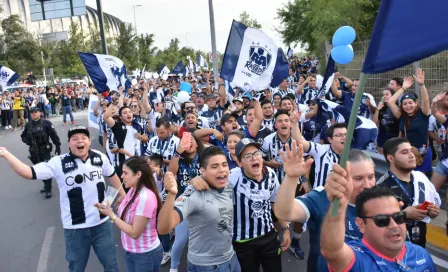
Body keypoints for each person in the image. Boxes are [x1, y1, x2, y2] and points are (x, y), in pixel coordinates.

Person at [0, 126, 126, 271]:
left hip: (102, 225)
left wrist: (123, 194)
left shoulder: (99, 157)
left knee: (111, 265)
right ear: (69, 143)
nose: (80, 141)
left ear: (89, 142)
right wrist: (7, 154)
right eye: (75, 139)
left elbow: (112, 175)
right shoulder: (58, 162)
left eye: (83, 138)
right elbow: (29, 172)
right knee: (76, 268)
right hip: (75, 229)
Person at [274, 143, 375, 271]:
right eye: (358, 178)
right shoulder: (323, 196)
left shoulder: (379, 200)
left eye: (371, 177)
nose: (367, 184)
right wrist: (291, 178)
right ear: (341, 176)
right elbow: (284, 213)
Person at [157, 146, 240, 272]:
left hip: (231, 258)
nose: (222, 170)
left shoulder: (228, 185)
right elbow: (163, 228)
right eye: (214, 166)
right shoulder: (194, 193)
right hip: (206, 266)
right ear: (203, 171)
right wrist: (171, 195)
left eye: (224, 165)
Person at [321, 185, 437, 271]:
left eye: (398, 217)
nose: (394, 225)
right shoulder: (357, 258)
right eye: (382, 220)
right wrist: (338, 205)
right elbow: (332, 251)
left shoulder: (421, 254)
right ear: (361, 224)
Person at [95, 156, 164, 272]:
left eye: (125, 173)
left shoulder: (145, 197)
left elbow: (134, 232)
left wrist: (111, 215)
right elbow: (128, 218)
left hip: (145, 254)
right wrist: (117, 209)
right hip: (131, 251)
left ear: (138, 174)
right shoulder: (132, 190)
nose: (121, 176)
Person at [377, 137, 441, 248]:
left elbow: (435, 203)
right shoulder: (380, 187)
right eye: (404, 152)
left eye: (411, 150)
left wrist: (433, 212)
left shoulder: (421, 178)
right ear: (391, 158)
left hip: (419, 246)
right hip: (393, 249)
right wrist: (404, 215)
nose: (412, 155)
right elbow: (376, 222)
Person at [387, 70, 432, 176]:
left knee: (422, 179)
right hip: (407, 153)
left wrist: (421, 85)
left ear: (416, 103)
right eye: (405, 104)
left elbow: (426, 101)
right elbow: (390, 102)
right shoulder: (402, 116)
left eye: (410, 103)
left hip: (423, 153)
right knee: (409, 177)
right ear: (402, 106)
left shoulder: (423, 114)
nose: (408, 106)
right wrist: (403, 88)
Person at [21, 107, 61, 198]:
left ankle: (48, 189)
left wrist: (58, 145)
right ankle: (45, 184)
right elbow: (23, 136)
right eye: (32, 112)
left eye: (35, 112)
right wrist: (29, 141)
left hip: (45, 149)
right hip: (34, 151)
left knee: (46, 169)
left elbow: (53, 135)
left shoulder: (46, 123)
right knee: (39, 169)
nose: (34, 114)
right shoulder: (28, 125)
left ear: (40, 113)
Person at [430, 91, 448, 233]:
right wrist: (435, 101)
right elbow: (434, 112)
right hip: (444, 162)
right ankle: (423, 217)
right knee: (431, 190)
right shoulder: (446, 119)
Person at [373, 88, 400, 154]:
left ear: (393, 96)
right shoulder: (381, 107)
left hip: (394, 135)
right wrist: (377, 110)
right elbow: (374, 122)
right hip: (383, 135)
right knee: (382, 155)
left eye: (387, 94)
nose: (384, 96)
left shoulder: (397, 107)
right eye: (383, 95)